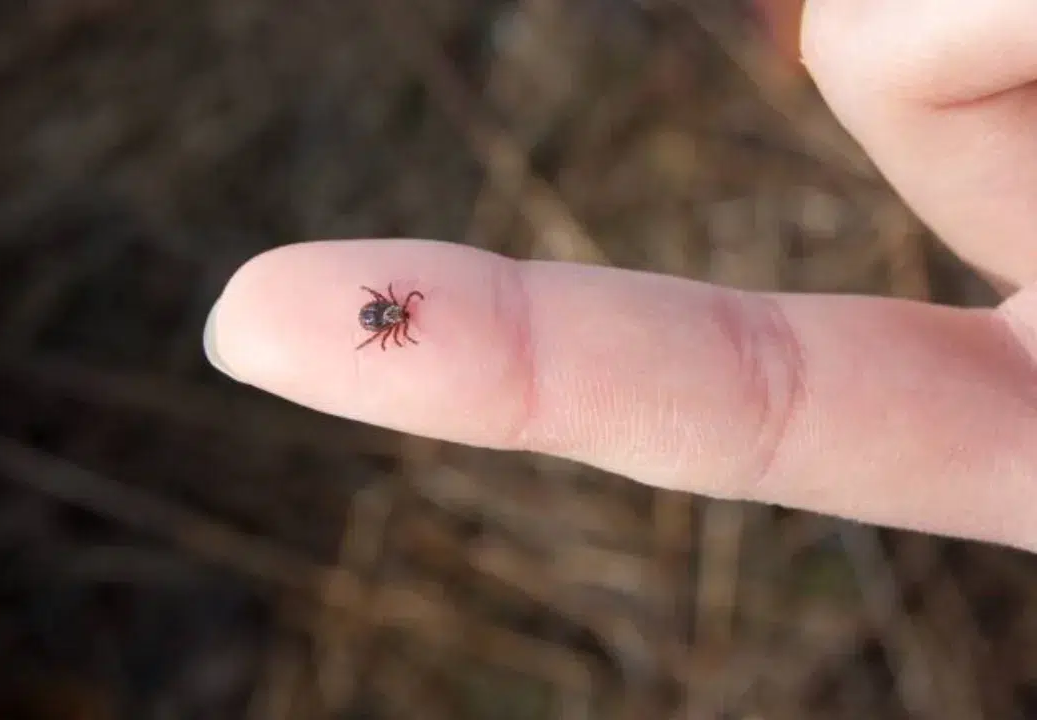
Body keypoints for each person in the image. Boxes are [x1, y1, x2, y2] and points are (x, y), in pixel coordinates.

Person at [203, 1, 1037, 555]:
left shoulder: (391, 315)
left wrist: (395, 317)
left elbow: (389, 314)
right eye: (391, 317)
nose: (392, 315)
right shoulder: (394, 313)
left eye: (390, 314)